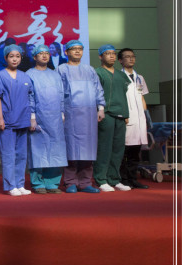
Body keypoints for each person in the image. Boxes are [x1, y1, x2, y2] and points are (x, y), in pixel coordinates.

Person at [58, 40, 105, 193]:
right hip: (70, 113)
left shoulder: (89, 70)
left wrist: (101, 107)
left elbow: (98, 89)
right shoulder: (61, 69)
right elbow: (59, 92)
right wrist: (61, 111)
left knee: (88, 149)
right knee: (71, 149)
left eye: (80, 49)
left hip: (89, 113)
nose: (77, 51)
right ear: (66, 52)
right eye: (74, 49)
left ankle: (85, 182)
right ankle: (70, 182)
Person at [26, 45, 67, 194]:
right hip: (38, 116)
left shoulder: (55, 75)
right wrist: (32, 116)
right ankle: (37, 183)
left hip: (55, 117)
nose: (44, 56)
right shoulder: (29, 74)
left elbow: (61, 94)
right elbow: (29, 97)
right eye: (40, 53)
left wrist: (61, 111)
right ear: (34, 57)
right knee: (37, 150)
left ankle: (52, 183)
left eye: (46, 53)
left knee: (56, 148)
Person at [0, 45, 33, 196]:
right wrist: (0, 118)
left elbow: (30, 97)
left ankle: (20, 184)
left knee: (22, 155)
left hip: (23, 119)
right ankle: (10, 185)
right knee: (8, 154)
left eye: (17, 56)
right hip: (7, 120)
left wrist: (31, 118)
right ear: (5, 58)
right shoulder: (0, 76)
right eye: (11, 56)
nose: (14, 59)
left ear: (21, 58)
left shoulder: (25, 76)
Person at [94, 44, 132, 192]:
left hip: (121, 114)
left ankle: (114, 179)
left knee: (118, 149)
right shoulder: (97, 73)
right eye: (107, 53)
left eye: (114, 53)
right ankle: (101, 179)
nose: (111, 56)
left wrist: (126, 114)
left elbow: (123, 94)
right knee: (104, 148)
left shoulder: (122, 75)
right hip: (106, 114)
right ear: (100, 56)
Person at [118, 48, 150, 189]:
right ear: (120, 60)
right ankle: (123, 179)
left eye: (133, 56)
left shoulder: (139, 77)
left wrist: (146, 117)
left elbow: (141, 97)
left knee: (135, 151)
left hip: (139, 119)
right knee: (123, 151)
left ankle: (133, 179)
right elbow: (118, 99)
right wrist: (123, 115)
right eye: (127, 56)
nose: (131, 59)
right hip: (126, 118)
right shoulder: (118, 77)